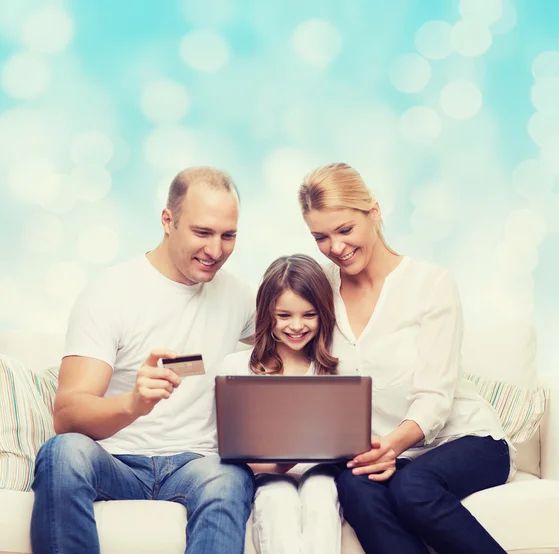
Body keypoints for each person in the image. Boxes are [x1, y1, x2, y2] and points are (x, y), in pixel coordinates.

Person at [31, 167, 256, 554]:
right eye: (202, 233)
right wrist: (133, 403)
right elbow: (67, 415)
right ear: (168, 220)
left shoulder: (240, 297)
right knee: (61, 453)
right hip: (116, 460)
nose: (215, 250)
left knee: (230, 476)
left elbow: (294, 344)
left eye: (228, 235)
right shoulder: (111, 293)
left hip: (197, 464)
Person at [297, 162, 514, 554]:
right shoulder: (318, 292)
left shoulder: (430, 285)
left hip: (466, 440)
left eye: (345, 229)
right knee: (352, 485)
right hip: (384, 451)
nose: (336, 248)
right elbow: (274, 325)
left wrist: (392, 446)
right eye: (321, 237)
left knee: (412, 487)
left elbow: (435, 396)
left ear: (374, 212)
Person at [218, 254, 342, 554]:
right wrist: (277, 464)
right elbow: (228, 450)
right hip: (267, 474)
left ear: (323, 314)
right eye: (284, 316)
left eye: (308, 315)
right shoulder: (237, 367)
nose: (296, 326)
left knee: (321, 494)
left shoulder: (335, 369)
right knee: (278, 498)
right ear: (266, 315)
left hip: (322, 471)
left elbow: (346, 441)